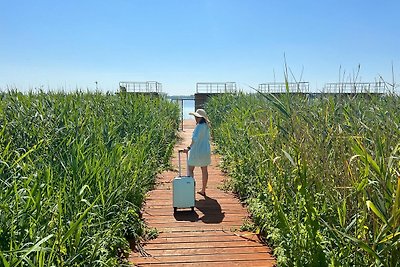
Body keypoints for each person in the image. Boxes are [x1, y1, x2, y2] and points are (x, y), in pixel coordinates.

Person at [182, 108, 211, 197]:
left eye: (196, 117)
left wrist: (188, 148)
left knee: (190, 169)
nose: (195, 118)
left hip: (196, 150)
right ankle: (203, 190)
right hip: (205, 150)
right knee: (204, 170)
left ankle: (191, 190)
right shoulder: (206, 126)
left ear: (200, 118)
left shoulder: (198, 126)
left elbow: (194, 139)